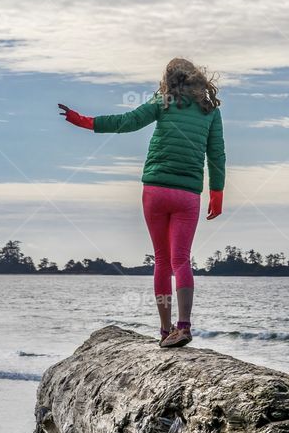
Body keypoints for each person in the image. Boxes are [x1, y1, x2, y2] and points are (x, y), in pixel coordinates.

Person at [58, 58, 225, 348]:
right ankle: (183, 326)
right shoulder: (210, 110)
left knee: (162, 260)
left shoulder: (163, 100)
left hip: (156, 190)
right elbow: (217, 154)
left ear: (169, 79)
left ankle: (164, 330)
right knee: (181, 260)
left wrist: (82, 121)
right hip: (187, 194)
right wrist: (217, 193)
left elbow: (128, 122)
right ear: (197, 78)